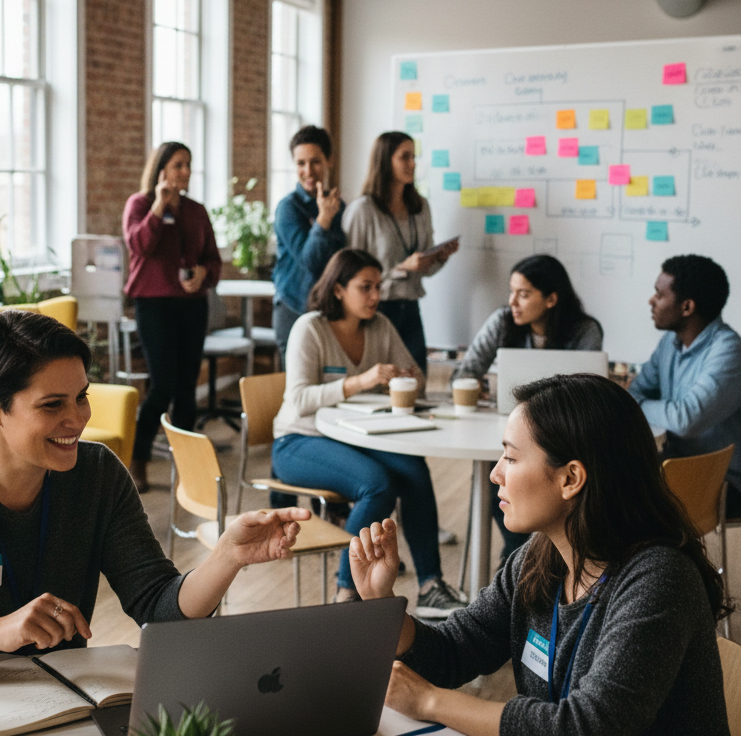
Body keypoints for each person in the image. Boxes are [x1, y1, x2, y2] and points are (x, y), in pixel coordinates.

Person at [0, 310, 309, 695]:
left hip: (59, 703)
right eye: (52, 404)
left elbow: (157, 607)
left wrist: (226, 557)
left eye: (81, 397)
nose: (78, 418)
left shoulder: (97, 474)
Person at [350, 373, 741, 736]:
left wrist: (428, 702)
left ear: (571, 478)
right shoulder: (541, 558)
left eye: (511, 457)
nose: (495, 473)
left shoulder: (658, 581)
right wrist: (383, 602)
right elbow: (455, 651)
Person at [271, 247, 464, 615]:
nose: (376, 295)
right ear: (338, 289)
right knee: (376, 485)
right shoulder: (310, 328)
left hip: (352, 437)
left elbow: (418, 379)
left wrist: (406, 379)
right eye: (366, 287)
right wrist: (361, 381)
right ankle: (347, 593)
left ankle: (431, 586)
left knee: (415, 471)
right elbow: (299, 399)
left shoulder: (380, 326)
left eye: (378, 286)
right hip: (297, 441)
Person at [453, 254, 604, 563]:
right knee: (498, 480)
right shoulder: (502, 321)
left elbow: (588, 397)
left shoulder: (584, 330)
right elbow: (463, 374)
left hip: (561, 438)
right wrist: (477, 386)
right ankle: (521, 558)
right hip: (510, 431)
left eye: (523, 294)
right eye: (511, 292)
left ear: (551, 299)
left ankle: (522, 561)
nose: (512, 302)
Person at [122, 141, 222, 493]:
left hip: (192, 304)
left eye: (188, 165)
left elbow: (213, 258)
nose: (185, 172)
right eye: (178, 165)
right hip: (153, 304)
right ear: (161, 169)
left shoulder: (196, 211)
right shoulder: (139, 204)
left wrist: (204, 273)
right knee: (162, 385)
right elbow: (139, 246)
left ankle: (187, 467)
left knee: (186, 388)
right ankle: (138, 459)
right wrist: (159, 205)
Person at [630, 254, 741, 513]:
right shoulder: (669, 343)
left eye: (660, 295)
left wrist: (639, 404)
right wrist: (639, 401)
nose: (651, 301)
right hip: (674, 466)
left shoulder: (729, 350)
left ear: (687, 307)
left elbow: (685, 420)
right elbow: (636, 391)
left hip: (722, 482)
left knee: (621, 503)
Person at [342, 131, 458, 374]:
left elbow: (424, 270)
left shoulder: (420, 207)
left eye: (414, 157)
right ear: (385, 160)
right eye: (405, 157)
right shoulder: (363, 210)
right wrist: (402, 268)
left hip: (410, 308)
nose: (413, 164)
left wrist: (439, 257)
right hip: (376, 309)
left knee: (417, 378)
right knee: (382, 381)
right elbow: (350, 271)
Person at [271, 125, 346, 361]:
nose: (308, 171)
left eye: (315, 162)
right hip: (294, 307)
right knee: (298, 382)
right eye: (300, 163)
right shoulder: (288, 208)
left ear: (329, 161)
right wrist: (323, 221)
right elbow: (310, 261)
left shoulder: (339, 207)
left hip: (331, 311)